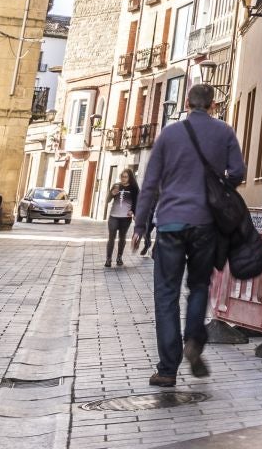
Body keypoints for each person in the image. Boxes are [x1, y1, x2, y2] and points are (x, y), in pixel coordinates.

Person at [133, 84, 244, 388]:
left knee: (166, 294)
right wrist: (219, 185)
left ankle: (167, 369)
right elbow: (238, 172)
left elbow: (150, 182)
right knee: (198, 285)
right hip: (205, 223)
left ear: (186, 103)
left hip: (170, 224)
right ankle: (193, 339)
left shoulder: (169, 134)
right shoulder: (224, 132)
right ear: (213, 105)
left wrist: (140, 225)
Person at [105, 168, 139, 268]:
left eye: (125, 177)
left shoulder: (134, 188)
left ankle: (119, 257)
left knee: (122, 237)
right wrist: (112, 194)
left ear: (129, 178)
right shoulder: (116, 186)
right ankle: (108, 259)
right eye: (122, 177)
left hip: (125, 217)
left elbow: (137, 202)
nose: (123, 179)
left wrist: (133, 211)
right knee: (111, 237)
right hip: (113, 216)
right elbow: (107, 200)